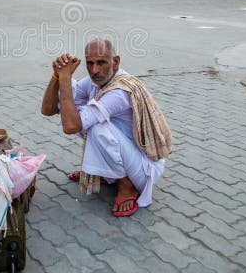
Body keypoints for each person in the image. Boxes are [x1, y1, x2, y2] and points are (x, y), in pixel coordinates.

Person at [40, 39, 171, 217]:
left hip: (143, 168)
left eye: (101, 62)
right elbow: (49, 110)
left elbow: (71, 127)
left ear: (115, 62)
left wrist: (65, 78)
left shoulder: (120, 91)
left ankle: (127, 185)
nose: (95, 70)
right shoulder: (94, 81)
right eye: (90, 63)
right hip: (125, 153)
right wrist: (57, 76)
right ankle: (104, 172)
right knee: (73, 111)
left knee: (96, 126)